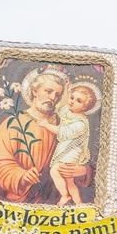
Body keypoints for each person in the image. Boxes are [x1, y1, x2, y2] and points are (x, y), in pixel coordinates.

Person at [0, 65, 94, 204]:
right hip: (17, 203)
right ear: (35, 91)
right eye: (48, 91)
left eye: (57, 95)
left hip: (55, 204)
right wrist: (22, 176)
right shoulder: (14, 123)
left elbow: (83, 150)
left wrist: (83, 170)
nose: (52, 98)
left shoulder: (66, 123)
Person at [39, 78, 101, 206]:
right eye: (72, 98)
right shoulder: (69, 111)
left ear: (85, 107)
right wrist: (67, 89)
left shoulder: (80, 123)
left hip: (72, 152)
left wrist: (46, 125)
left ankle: (65, 195)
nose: (72, 102)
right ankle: (79, 203)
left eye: (78, 101)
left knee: (55, 171)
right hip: (65, 149)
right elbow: (62, 105)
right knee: (69, 181)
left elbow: (63, 131)